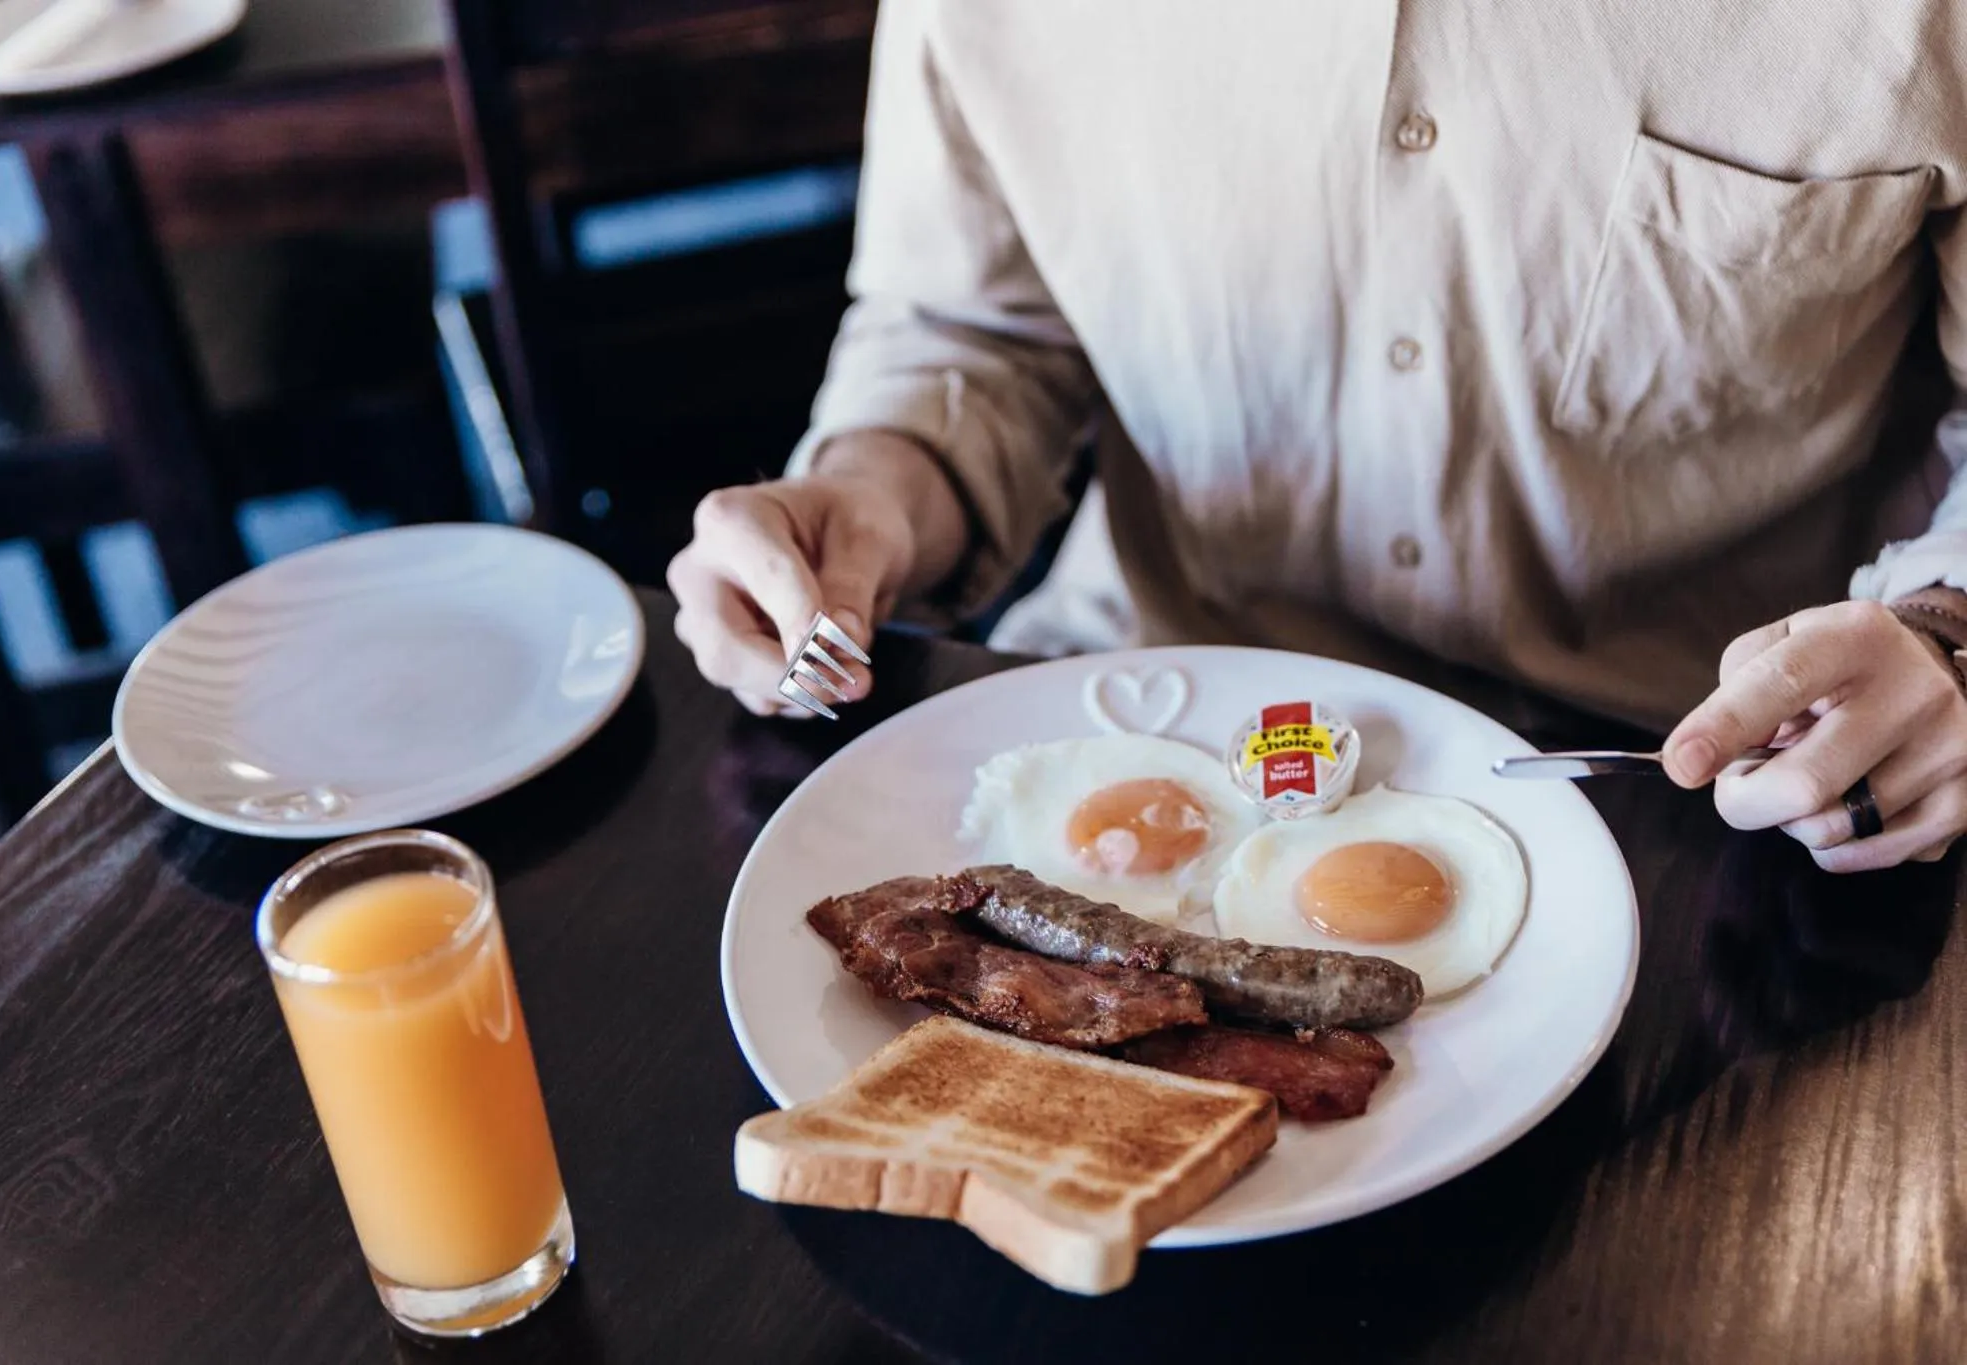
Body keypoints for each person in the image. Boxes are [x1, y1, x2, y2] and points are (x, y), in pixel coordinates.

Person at [667, 0, 1967, 873]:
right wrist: (875, 492)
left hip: (1708, 804)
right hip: (1141, 740)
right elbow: (973, 331)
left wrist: (1947, 632)